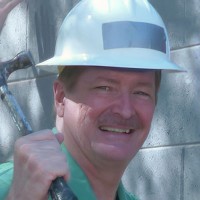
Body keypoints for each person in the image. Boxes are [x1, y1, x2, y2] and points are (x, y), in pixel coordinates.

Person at [0, 0, 182, 199]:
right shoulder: (8, 188)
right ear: (60, 98)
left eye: (141, 92)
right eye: (104, 88)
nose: (125, 110)